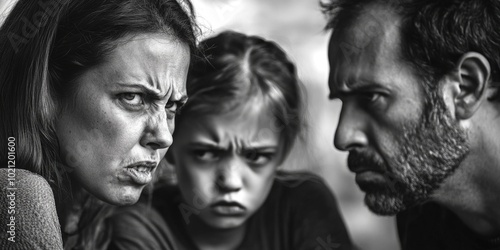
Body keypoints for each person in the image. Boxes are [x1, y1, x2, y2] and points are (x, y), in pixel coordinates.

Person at [109, 30, 353, 250]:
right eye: (205, 153)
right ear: (170, 143)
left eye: (256, 156)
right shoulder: (142, 224)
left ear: (283, 149)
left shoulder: (303, 206)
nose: (230, 182)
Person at [0, 0, 198, 249]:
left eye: (172, 106)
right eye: (132, 97)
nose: (164, 137)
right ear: (46, 91)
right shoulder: (17, 196)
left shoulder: (112, 217)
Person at [322, 0, 500, 249]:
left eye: (371, 97)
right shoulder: (422, 214)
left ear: (465, 89)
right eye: (342, 101)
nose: (342, 137)